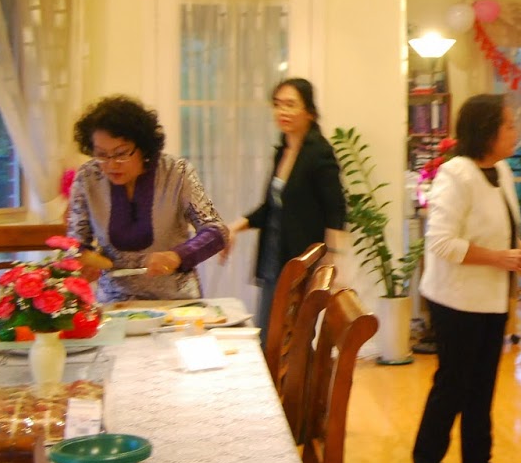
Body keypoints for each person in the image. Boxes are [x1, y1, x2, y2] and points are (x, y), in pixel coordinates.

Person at [412, 93, 521, 463]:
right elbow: (441, 242)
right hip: (455, 299)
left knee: (483, 384)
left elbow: (505, 230)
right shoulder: (456, 174)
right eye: (508, 125)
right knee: (452, 384)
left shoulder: (500, 170)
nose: (515, 131)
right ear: (486, 131)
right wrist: (498, 257)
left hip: (492, 298)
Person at [66, 95, 228, 303]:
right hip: (115, 304)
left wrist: (178, 256)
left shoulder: (177, 173)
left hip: (176, 302)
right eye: (101, 155)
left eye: (121, 153)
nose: (111, 165)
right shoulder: (88, 178)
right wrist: (82, 259)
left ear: (143, 148)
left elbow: (216, 231)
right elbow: (75, 242)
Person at [227, 78, 348, 330]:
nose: (282, 111)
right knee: (268, 333)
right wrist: (233, 228)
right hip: (274, 257)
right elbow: (270, 208)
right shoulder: (282, 151)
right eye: (277, 104)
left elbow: (336, 210)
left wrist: (331, 262)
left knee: (293, 337)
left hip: (302, 261)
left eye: (290, 104)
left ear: (309, 112)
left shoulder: (319, 153)